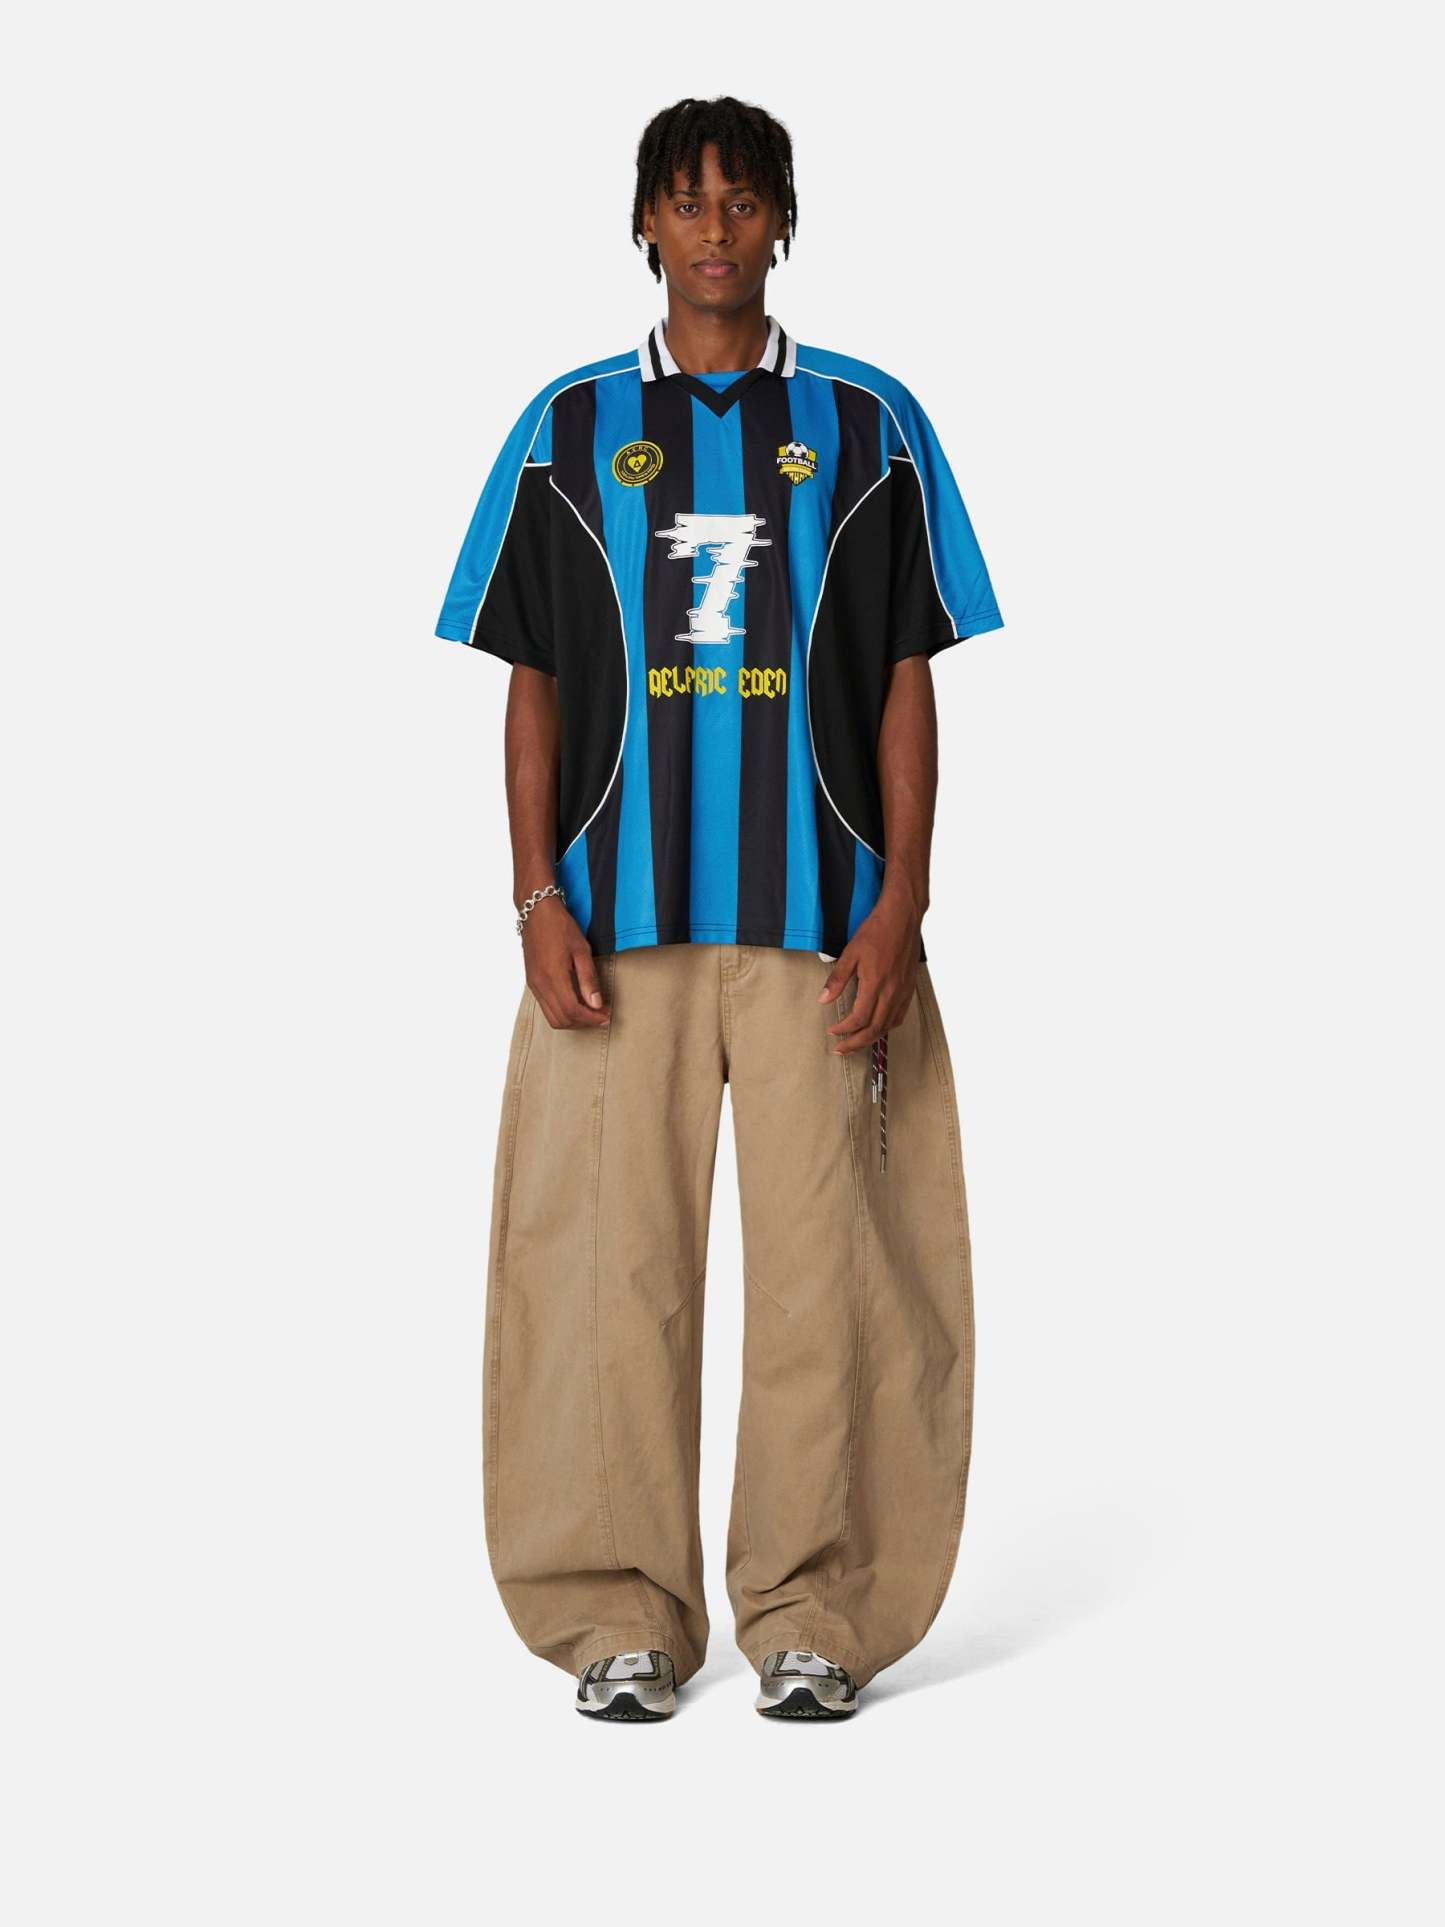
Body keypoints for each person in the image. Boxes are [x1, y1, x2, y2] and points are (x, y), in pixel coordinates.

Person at [432, 95, 1004, 1721]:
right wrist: (534, 897)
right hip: (615, 925)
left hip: (825, 922)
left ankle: (819, 1611)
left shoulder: (868, 422)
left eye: (741, 202)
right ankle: (614, 1612)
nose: (713, 231)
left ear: (781, 224)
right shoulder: (564, 429)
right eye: (684, 203)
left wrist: (902, 904)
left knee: (840, 1275)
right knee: (600, 1270)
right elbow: (532, 682)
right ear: (643, 225)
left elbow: (904, 678)